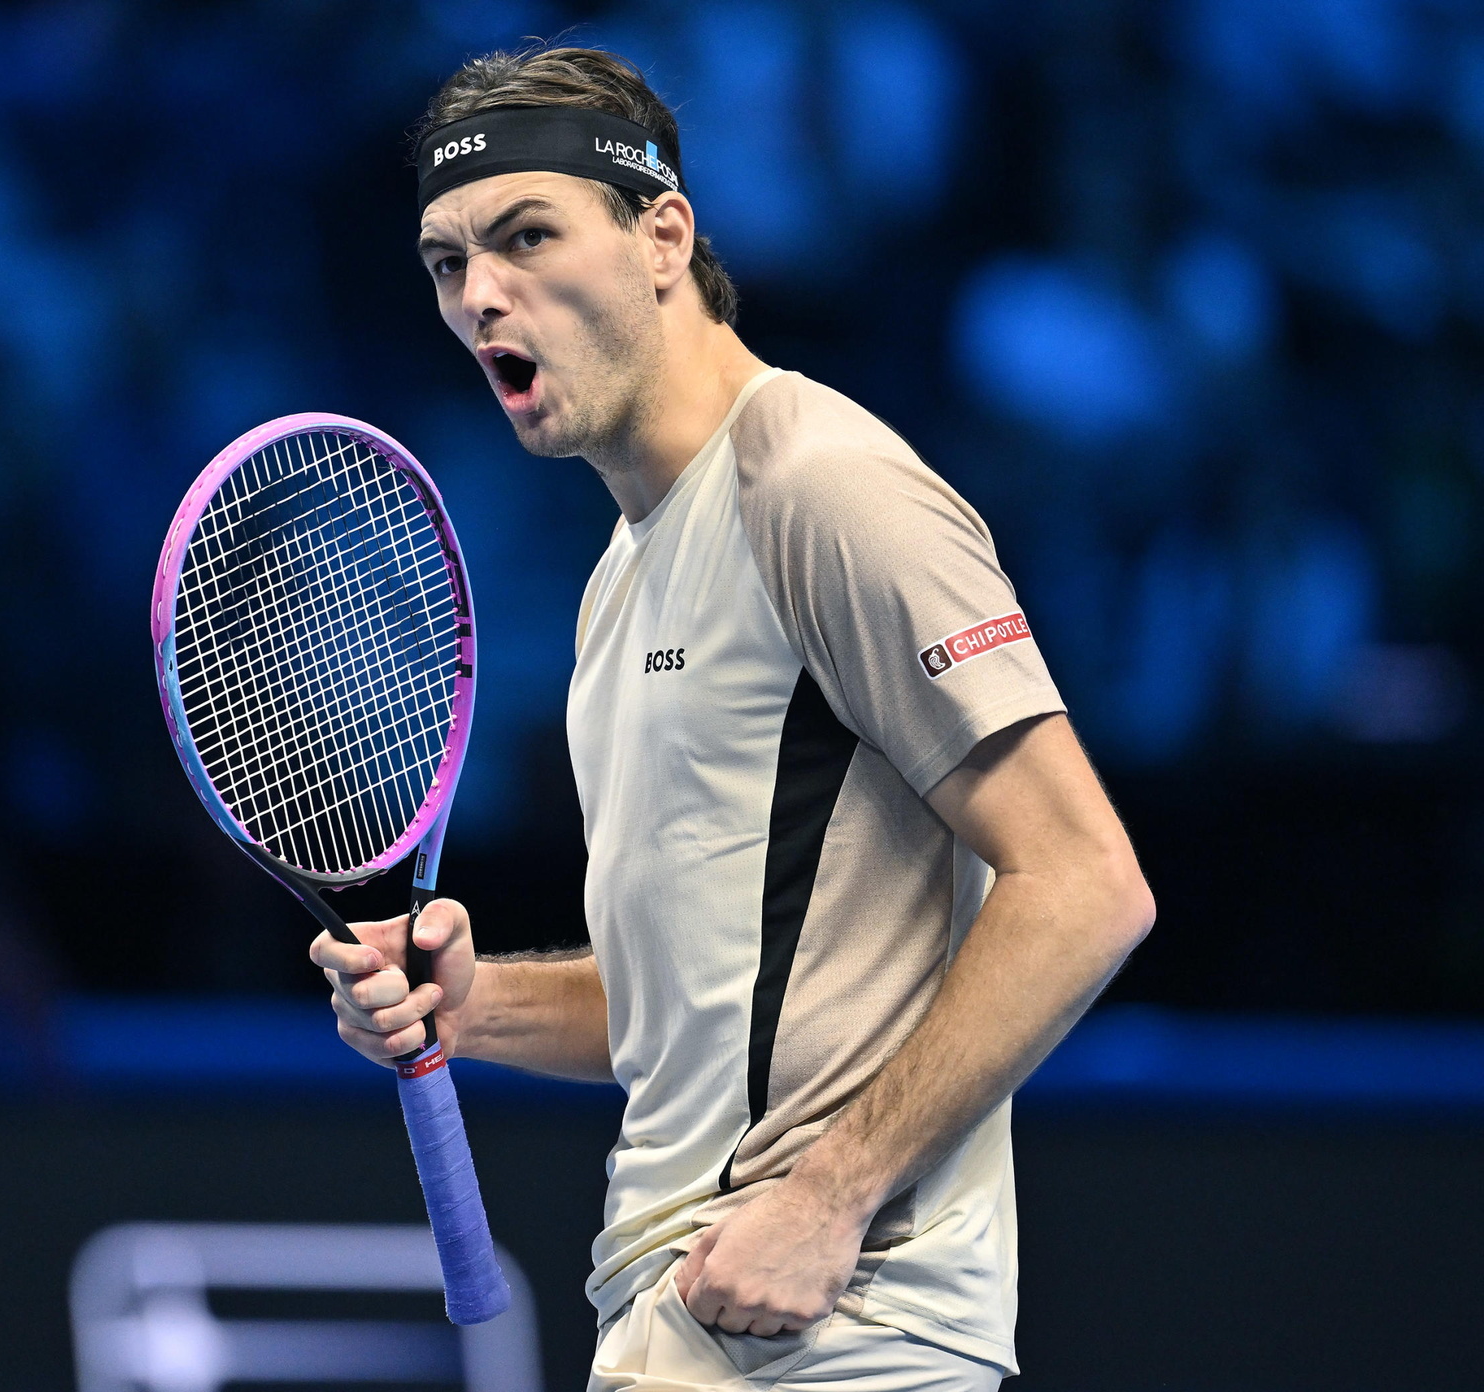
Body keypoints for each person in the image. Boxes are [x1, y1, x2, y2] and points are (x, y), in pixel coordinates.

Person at [310, 46, 1154, 1391]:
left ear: (664, 236)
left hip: (845, 1331)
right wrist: (479, 1003)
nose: (480, 296)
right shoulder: (620, 581)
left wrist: (831, 1195)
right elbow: (697, 1003)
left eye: (528, 236)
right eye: (447, 261)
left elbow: (1086, 884)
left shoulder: (821, 486)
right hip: (684, 1315)